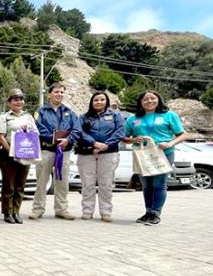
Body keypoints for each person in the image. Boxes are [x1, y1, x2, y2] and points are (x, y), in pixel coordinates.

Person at [124, 91, 186, 226]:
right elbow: (124, 137)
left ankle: (155, 213)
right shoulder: (132, 119)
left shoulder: (169, 115)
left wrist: (170, 143)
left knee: (159, 183)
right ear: (140, 102)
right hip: (142, 154)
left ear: (159, 100)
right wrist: (133, 139)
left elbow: (182, 134)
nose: (149, 101)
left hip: (163, 153)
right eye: (145, 99)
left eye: (153, 98)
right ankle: (148, 212)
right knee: (146, 185)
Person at [30, 82, 80, 220]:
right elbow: (38, 127)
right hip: (46, 150)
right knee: (42, 181)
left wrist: (68, 140)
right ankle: (37, 209)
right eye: (57, 92)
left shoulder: (70, 113)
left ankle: (61, 209)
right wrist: (53, 138)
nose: (59, 94)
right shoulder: (41, 111)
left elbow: (76, 129)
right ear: (49, 94)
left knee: (62, 181)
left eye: (62, 92)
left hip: (64, 151)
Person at [76, 91, 125, 222]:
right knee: (87, 184)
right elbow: (78, 132)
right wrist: (93, 143)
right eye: (96, 100)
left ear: (106, 102)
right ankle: (87, 211)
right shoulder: (83, 117)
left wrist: (106, 145)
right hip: (87, 153)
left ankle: (106, 212)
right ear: (91, 102)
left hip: (109, 153)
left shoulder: (115, 116)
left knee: (106, 184)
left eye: (102, 100)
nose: (99, 102)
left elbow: (120, 132)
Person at [0, 88, 38, 224]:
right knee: (9, 185)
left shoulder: (28, 117)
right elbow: (0, 137)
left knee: (20, 186)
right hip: (8, 155)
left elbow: (35, 135)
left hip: (25, 154)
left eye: (20, 99)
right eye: (15, 99)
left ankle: (16, 212)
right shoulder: (3, 117)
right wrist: (12, 152)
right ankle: (7, 212)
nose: (18, 102)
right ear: (9, 102)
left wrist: (28, 130)